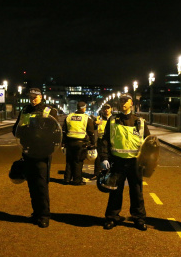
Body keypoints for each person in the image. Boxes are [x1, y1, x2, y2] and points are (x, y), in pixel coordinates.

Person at [100, 93, 150, 231]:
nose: (123, 103)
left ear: (131, 103)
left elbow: (148, 143)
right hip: (118, 161)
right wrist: (104, 158)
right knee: (115, 191)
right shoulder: (112, 120)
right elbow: (105, 140)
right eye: (121, 101)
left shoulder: (140, 121)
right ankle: (112, 217)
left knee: (137, 192)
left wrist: (147, 161)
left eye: (125, 101)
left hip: (135, 162)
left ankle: (139, 218)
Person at [12, 88, 58, 228]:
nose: (33, 99)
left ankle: (44, 215)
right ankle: (36, 213)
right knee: (31, 184)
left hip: (43, 152)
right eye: (31, 97)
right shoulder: (25, 110)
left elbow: (55, 131)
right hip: (28, 151)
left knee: (41, 185)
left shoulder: (50, 111)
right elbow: (16, 129)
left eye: (35, 97)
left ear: (41, 97)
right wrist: (26, 132)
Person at [62, 101, 96, 185]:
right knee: (78, 161)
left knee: (69, 161)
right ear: (84, 108)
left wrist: (64, 143)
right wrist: (93, 143)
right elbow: (91, 132)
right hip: (80, 143)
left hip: (69, 142)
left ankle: (67, 179)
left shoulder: (69, 116)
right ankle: (77, 180)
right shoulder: (86, 118)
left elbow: (64, 130)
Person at [92, 103, 112, 180]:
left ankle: (109, 174)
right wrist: (94, 123)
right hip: (101, 139)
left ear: (111, 109)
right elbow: (93, 127)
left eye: (108, 108)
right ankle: (97, 174)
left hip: (111, 139)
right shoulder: (99, 118)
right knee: (98, 157)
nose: (106, 110)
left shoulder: (114, 118)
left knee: (110, 157)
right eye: (105, 108)